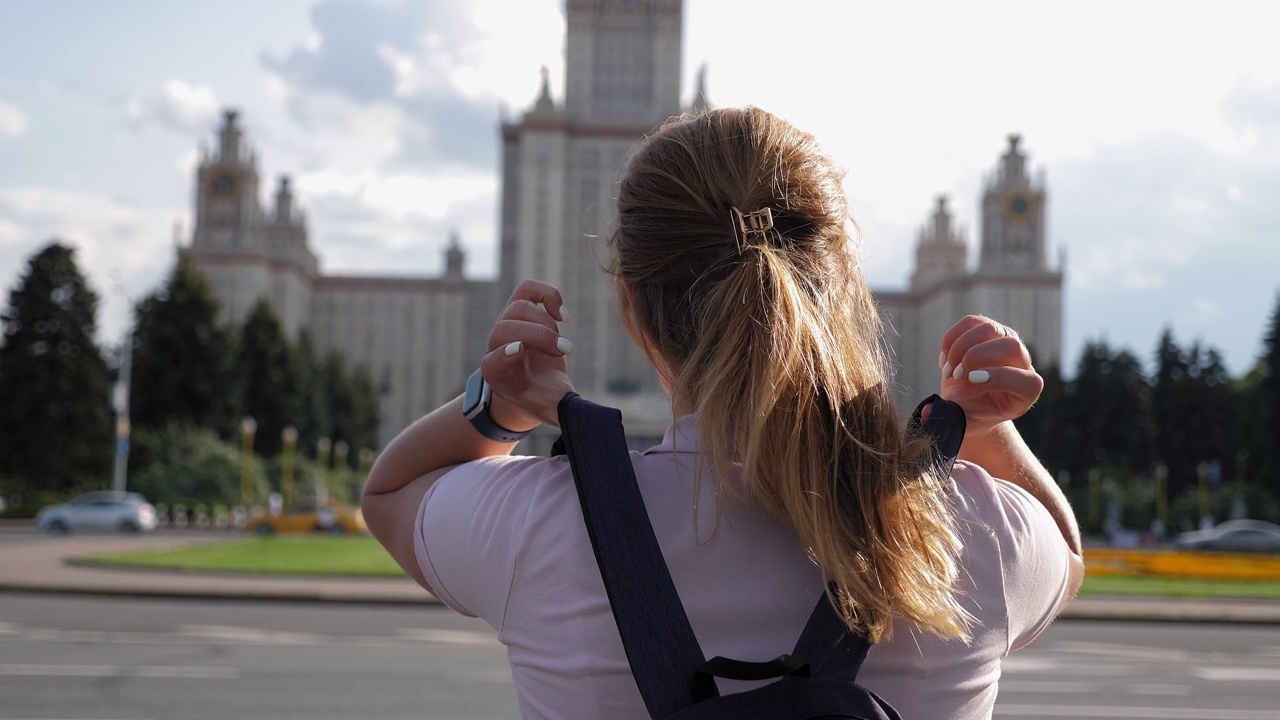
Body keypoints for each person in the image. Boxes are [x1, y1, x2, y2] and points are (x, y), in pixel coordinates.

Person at [363, 106, 1084, 720]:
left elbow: (391, 493)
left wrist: (502, 410)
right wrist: (984, 430)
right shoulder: (973, 533)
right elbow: (1065, 552)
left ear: (633, 309)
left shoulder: (537, 524)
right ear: (839, 294)